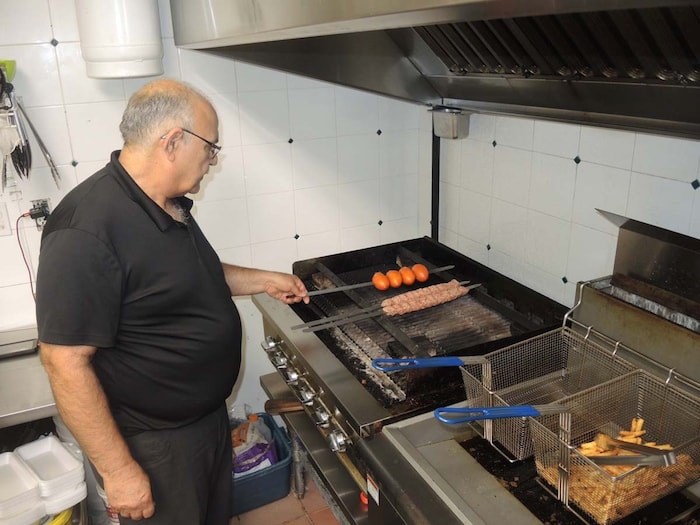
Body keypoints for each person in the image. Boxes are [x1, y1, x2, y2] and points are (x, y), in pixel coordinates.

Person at [35, 79, 309, 524]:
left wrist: (262, 279)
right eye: (210, 148)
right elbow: (63, 362)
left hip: (205, 425)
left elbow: (190, 277)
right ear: (173, 141)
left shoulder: (166, 204)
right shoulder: (85, 230)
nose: (211, 160)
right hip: (155, 447)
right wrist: (120, 472)